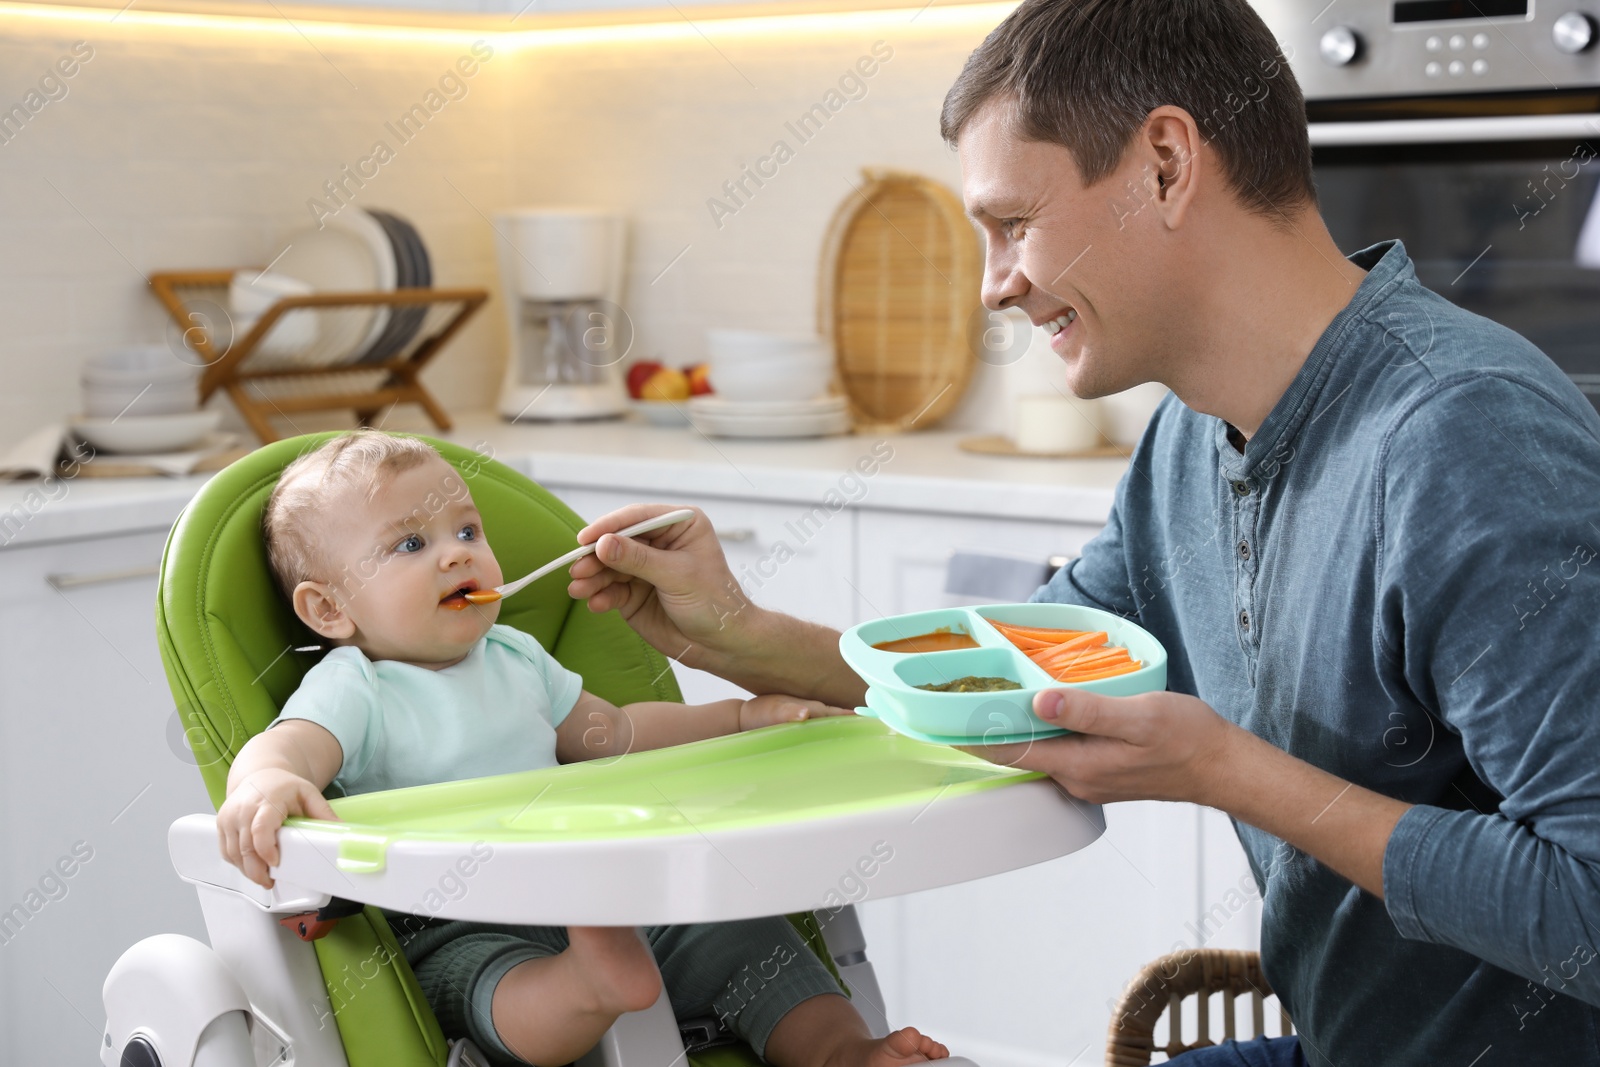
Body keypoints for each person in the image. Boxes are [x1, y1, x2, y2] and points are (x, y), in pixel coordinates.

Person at [564, 1, 1600, 1064]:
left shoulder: (1462, 437)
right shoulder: (1190, 438)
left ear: (1162, 165)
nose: (992, 283)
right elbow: (1019, 670)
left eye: (1012, 222)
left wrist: (1228, 769)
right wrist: (740, 630)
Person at [214, 430, 950, 1067]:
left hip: (600, 892)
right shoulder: (358, 687)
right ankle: (595, 981)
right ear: (329, 608)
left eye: (466, 532)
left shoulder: (515, 657)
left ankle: (844, 1050)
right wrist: (263, 785)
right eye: (411, 543)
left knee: (750, 943)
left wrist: (738, 718)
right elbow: (287, 750)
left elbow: (617, 733)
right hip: (454, 920)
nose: (454, 556)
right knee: (492, 987)